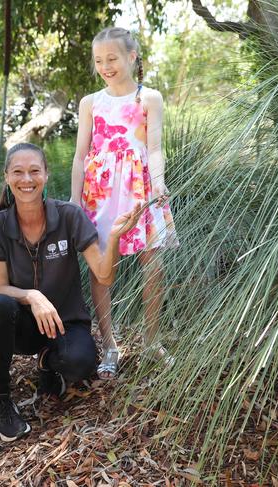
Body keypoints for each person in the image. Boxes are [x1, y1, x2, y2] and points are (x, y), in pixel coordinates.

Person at [0, 142, 144, 442]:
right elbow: (0, 287)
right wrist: (33, 296)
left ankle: (48, 362)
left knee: (81, 364)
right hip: (26, 324)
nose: (26, 180)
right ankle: (2, 400)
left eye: (34, 171)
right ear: (6, 177)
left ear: (46, 174)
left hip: (66, 322)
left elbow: (104, 275)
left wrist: (115, 238)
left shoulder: (69, 215)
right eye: (18, 172)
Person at [70, 27, 178, 379]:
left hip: (140, 186)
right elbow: (80, 154)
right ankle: (111, 344)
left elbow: (155, 147)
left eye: (112, 59)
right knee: (101, 267)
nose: (105, 66)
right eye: (99, 60)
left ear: (132, 57)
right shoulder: (91, 103)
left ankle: (151, 339)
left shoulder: (149, 98)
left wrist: (158, 186)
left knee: (153, 260)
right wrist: (74, 198)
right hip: (100, 192)